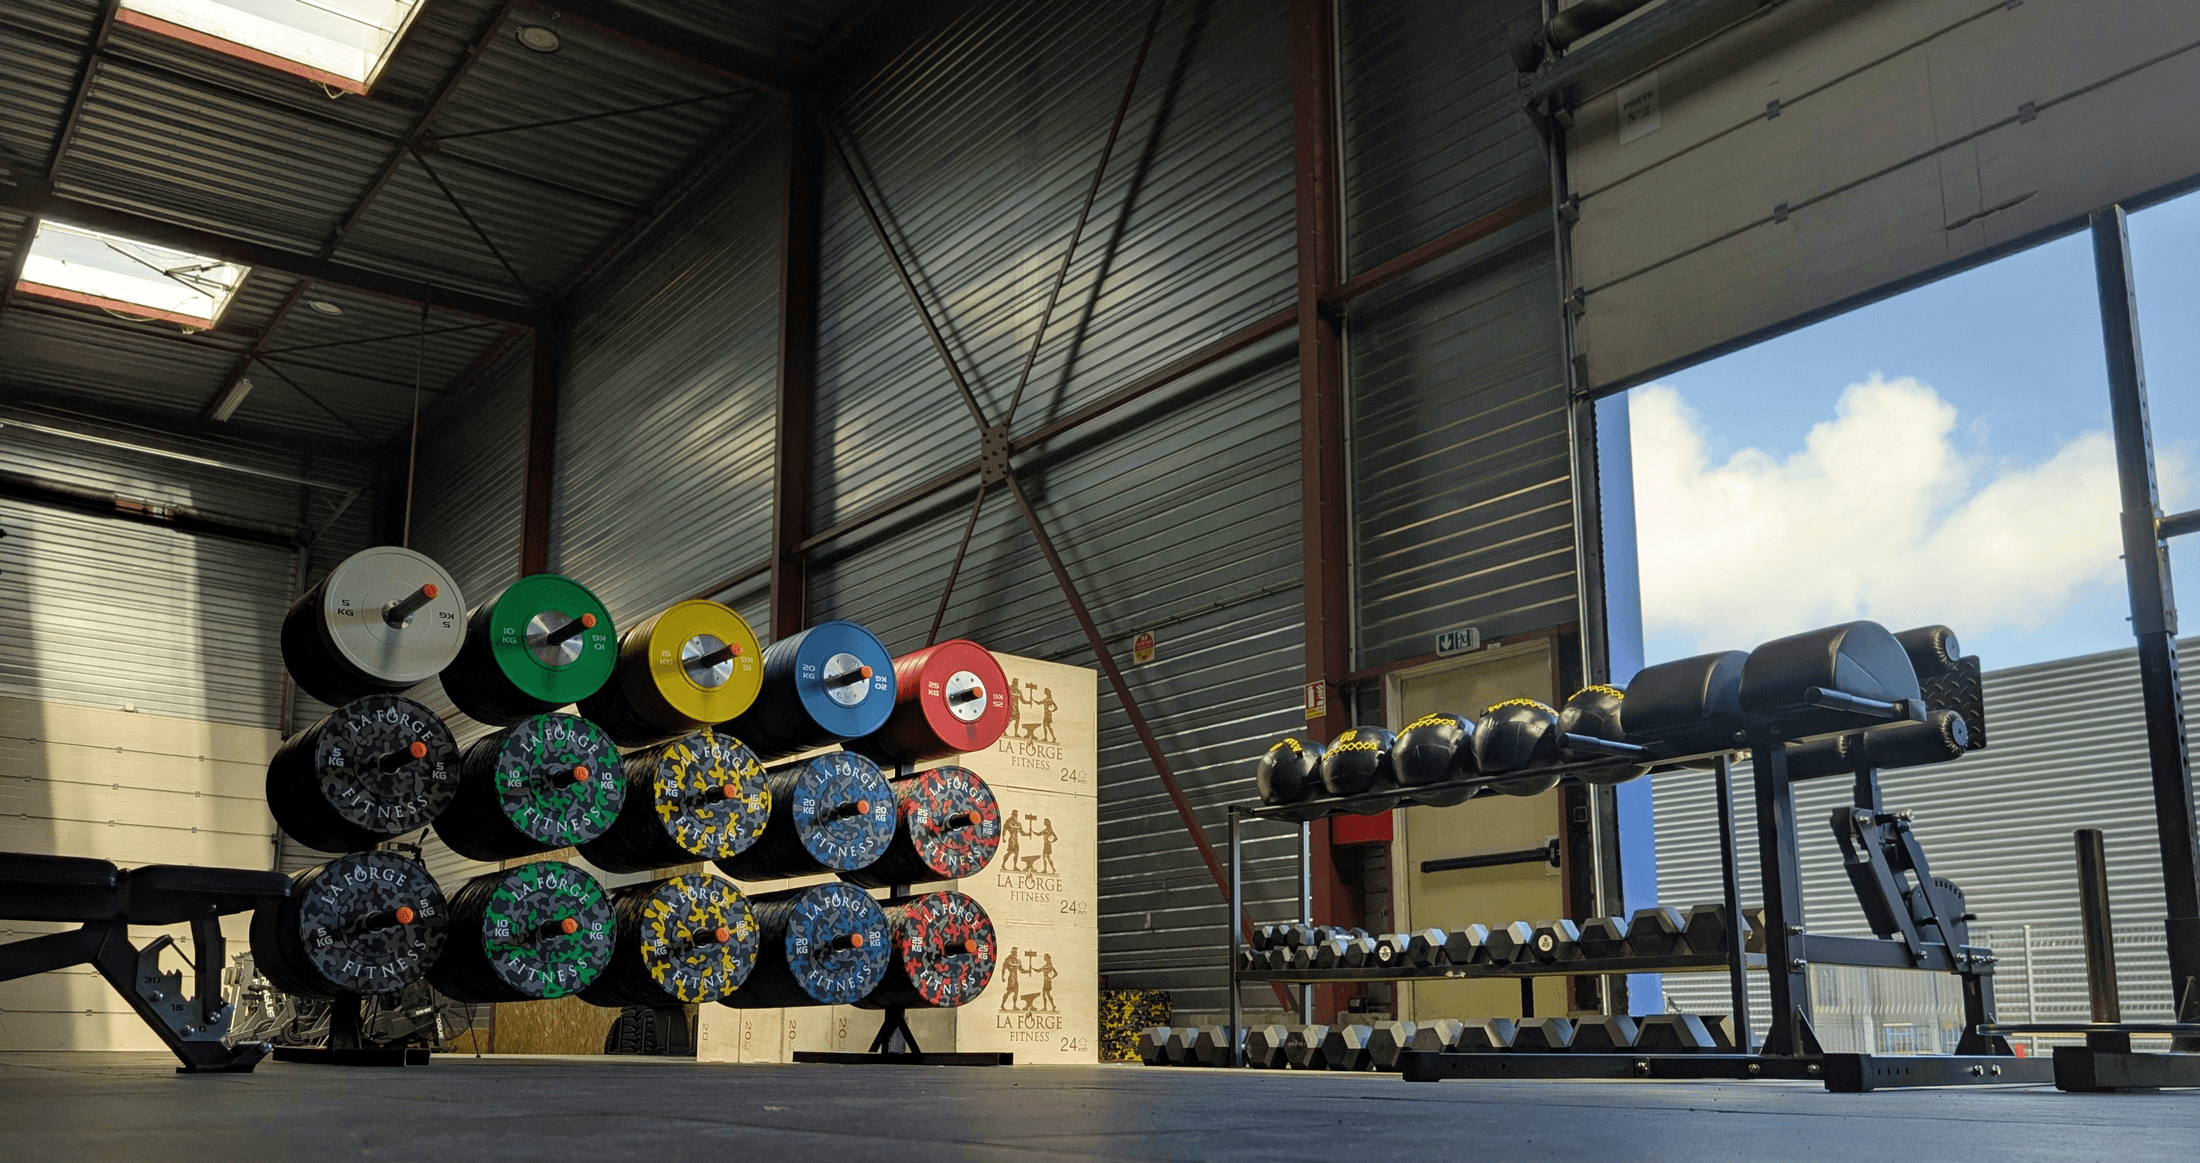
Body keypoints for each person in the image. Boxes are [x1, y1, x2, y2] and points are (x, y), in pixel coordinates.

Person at [997, 946, 1021, 1011]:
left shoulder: (1017, 960)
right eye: (1014, 952)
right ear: (1012, 952)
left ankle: (1014, 1006)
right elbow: (1003, 969)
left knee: (1016, 992)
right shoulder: (1007, 959)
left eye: (1016, 952)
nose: (1016, 953)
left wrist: (1028, 970)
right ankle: (1002, 1005)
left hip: (1016, 979)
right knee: (1008, 992)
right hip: (1011, 978)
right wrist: (1002, 977)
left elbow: (1021, 970)